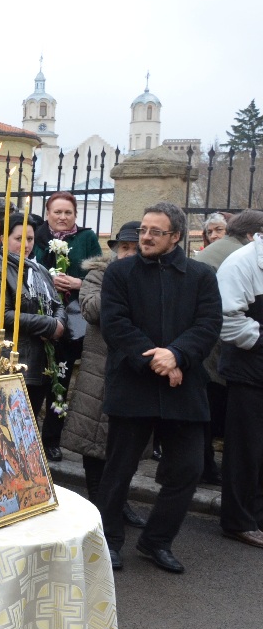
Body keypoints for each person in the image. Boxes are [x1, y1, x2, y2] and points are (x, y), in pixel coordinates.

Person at [97, 202, 222, 573]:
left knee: (187, 469)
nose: (145, 237)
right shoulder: (120, 273)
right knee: (119, 470)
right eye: (143, 231)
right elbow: (115, 323)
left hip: (183, 387)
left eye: (155, 232)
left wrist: (179, 356)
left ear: (176, 237)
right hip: (134, 383)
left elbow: (208, 324)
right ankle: (109, 541)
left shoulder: (202, 275)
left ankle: (156, 542)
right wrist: (158, 360)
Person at [60, 222, 147, 526]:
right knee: (93, 439)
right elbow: (93, 310)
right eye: (125, 248)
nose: (129, 253)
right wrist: (126, 283)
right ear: (115, 250)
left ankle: (118, 501)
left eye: (135, 248)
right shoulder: (99, 275)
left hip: (135, 369)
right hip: (99, 368)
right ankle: (98, 502)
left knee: (125, 443)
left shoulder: (153, 277)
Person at [31, 191, 102, 463]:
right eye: (57, 212)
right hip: (40, 320)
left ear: (75, 215)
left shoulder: (86, 238)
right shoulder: (36, 236)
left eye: (68, 212)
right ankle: (27, 438)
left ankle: (52, 439)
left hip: (72, 321)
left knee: (60, 379)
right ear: (48, 213)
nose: (62, 217)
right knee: (37, 381)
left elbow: (98, 276)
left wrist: (77, 283)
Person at [0, 209, 65, 417]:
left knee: (32, 422)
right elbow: (3, 314)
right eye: (19, 239)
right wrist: (49, 325)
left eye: (30, 239)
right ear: (3, 239)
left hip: (42, 362)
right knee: (14, 423)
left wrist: (59, 324)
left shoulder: (40, 270)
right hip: (14, 359)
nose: (26, 245)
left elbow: (58, 304)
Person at [213, 232, 263, 549]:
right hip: (249, 370)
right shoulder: (243, 262)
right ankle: (238, 521)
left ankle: (256, 516)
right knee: (246, 450)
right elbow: (226, 318)